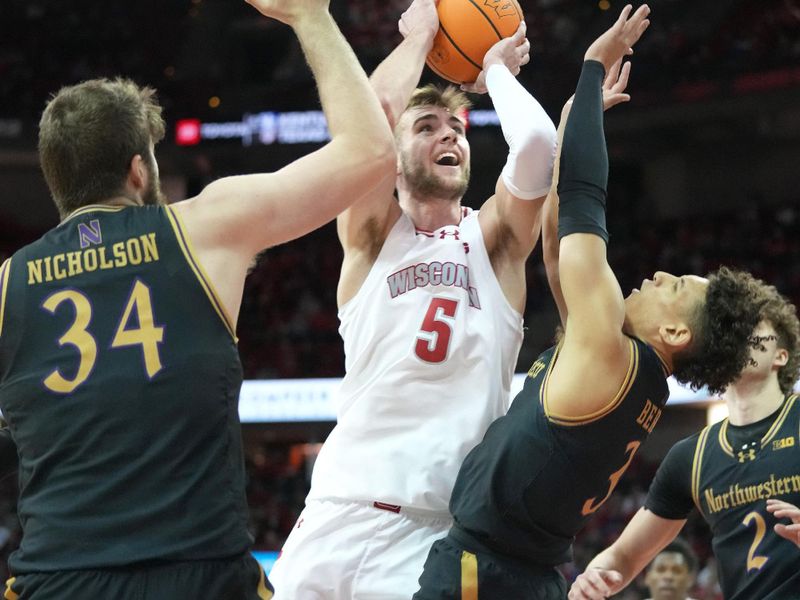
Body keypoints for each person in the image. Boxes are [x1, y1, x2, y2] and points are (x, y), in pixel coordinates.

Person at [0, 0, 395, 596]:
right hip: (200, 575)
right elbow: (370, 150)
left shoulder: (9, 285)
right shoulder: (202, 227)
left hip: (58, 580)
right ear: (139, 171)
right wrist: (310, 16)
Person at [412, 5, 780, 598]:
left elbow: (584, 195)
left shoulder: (608, 347)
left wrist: (591, 66)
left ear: (678, 336)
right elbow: (557, 250)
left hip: (485, 574)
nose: (660, 274)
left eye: (676, 287)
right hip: (526, 576)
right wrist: (568, 125)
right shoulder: (629, 377)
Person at [267, 0, 559, 597]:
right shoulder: (373, 236)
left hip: (433, 532)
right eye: (426, 128)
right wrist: (422, 38)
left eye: (456, 129)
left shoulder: (497, 241)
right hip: (335, 512)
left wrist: (494, 71)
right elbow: (369, 119)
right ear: (394, 161)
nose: (448, 135)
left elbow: (535, 145)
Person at [568, 302, 800, 599]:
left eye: (754, 332)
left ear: (780, 355)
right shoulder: (692, 456)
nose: (739, 339)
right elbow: (623, 557)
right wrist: (593, 578)